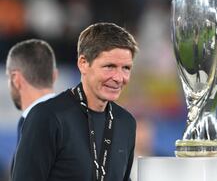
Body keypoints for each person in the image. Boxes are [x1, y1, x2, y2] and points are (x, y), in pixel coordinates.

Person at [12, 22, 138, 181]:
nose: (119, 78)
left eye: (126, 68)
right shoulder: (47, 117)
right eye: (109, 66)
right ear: (83, 63)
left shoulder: (126, 122)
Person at [6, 39, 57, 143]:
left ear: (16, 79)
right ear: (55, 76)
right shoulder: (78, 119)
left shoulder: (32, 124)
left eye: (8, 77)